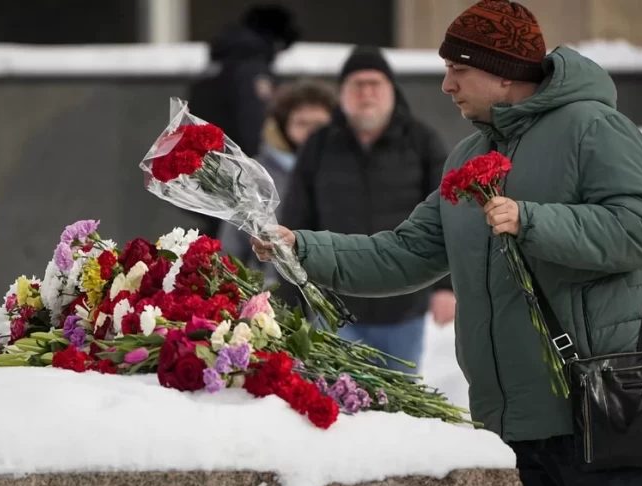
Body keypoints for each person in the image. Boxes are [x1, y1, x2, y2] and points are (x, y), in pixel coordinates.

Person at [251, 2, 642, 486]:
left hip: (598, 406)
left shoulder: (594, 128)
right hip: (508, 420)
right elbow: (405, 254)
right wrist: (301, 247)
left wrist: (531, 219)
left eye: (459, 68)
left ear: (504, 71)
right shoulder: (469, 155)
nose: (447, 83)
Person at [277, 45, 456, 374]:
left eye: (375, 84)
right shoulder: (319, 145)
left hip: (404, 305)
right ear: (342, 94)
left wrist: (447, 287)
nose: (367, 93)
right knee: (344, 402)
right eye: (357, 85)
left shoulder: (421, 141)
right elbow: (295, 220)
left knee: (400, 403)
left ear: (392, 90)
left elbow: (450, 215)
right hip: (336, 306)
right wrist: (290, 304)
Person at [187, 5, 300, 239]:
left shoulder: (216, 67)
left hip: (207, 175)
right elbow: (254, 128)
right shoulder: (250, 70)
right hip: (238, 180)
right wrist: (260, 176)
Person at [218, 78, 337, 285]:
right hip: (273, 299)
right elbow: (231, 247)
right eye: (301, 123)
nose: (310, 132)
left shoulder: (346, 168)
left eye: (318, 124)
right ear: (283, 126)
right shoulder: (257, 174)